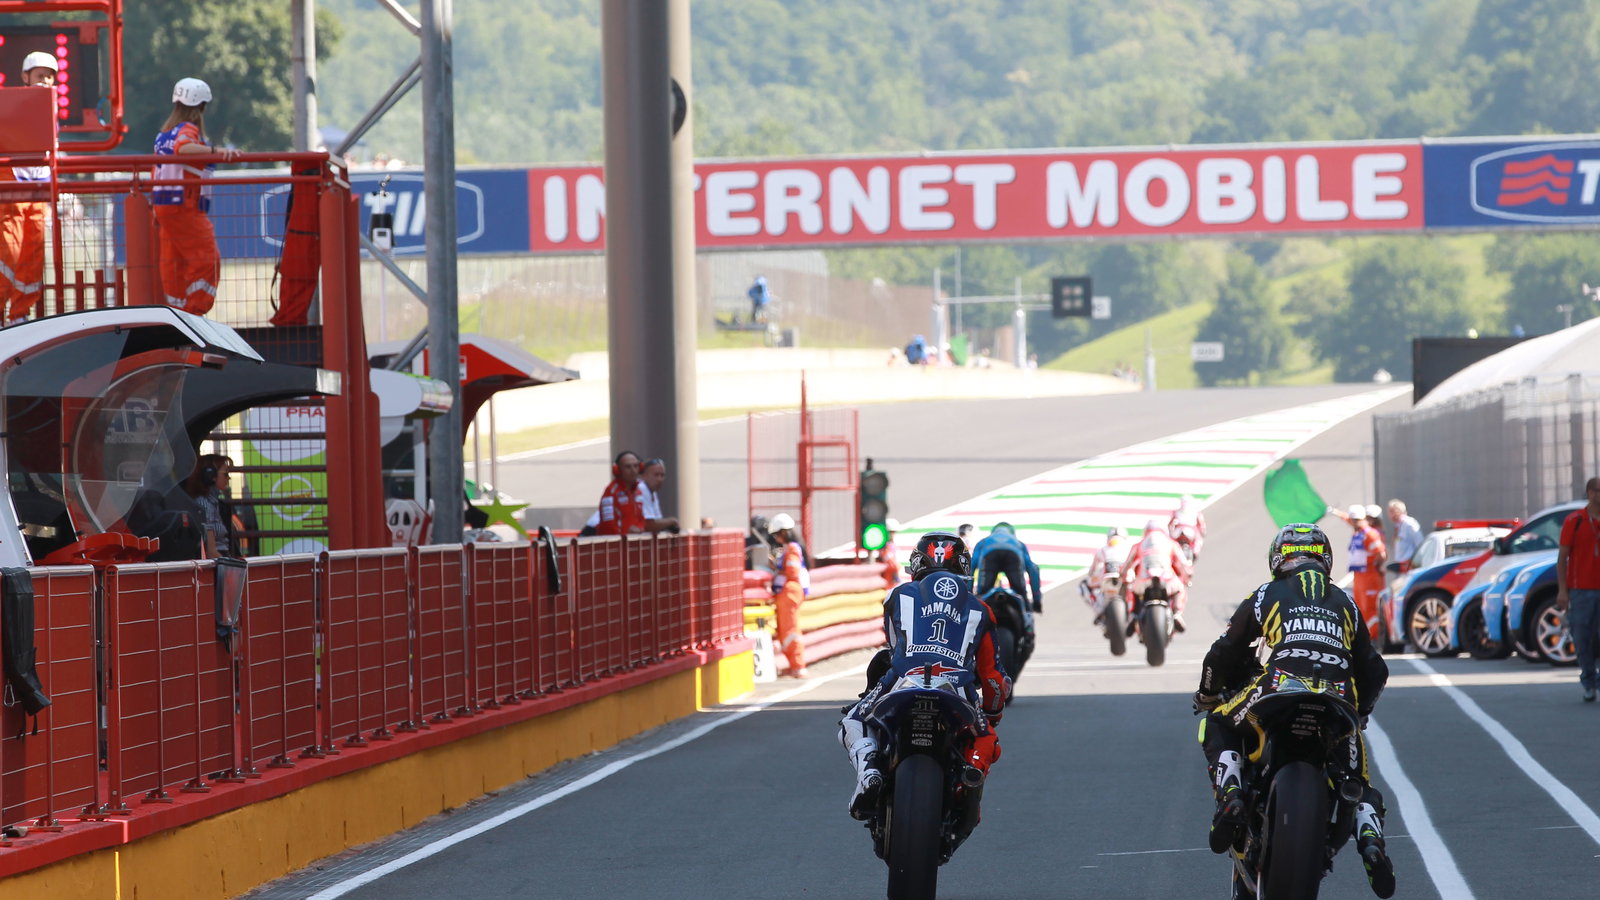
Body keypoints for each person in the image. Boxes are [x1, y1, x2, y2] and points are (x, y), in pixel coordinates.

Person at [1193, 523, 1394, 898]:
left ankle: (1232, 793)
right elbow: (1376, 670)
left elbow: (1225, 650)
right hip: (1337, 699)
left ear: (1277, 559)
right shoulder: (1346, 602)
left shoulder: (1267, 593)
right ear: (1326, 559)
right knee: (1357, 783)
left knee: (1217, 723)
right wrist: (1360, 712)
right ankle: (1372, 840)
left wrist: (1207, 693)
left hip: (1278, 687)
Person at [837, 531, 1011, 819]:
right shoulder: (982, 610)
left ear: (917, 564)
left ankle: (869, 769)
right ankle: (970, 776)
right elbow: (992, 675)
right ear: (964, 566)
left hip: (904, 679)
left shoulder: (896, 595)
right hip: (957, 689)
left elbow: (894, 648)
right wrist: (993, 712)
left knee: (854, 719)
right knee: (986, 737)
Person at [153, 77, 240, 314]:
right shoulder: (188, 130)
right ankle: (195, 315)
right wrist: (218, 152)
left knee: (175, 267)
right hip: (184, 207)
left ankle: (178, 317)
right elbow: (184, 148)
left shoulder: (164, 135)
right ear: (201, 107)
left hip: (166, 208)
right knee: (207, 259)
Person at [0, 51, 59, 325]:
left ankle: (20, 316)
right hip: (12, 189)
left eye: (49, 76)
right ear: (25, 77)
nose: (44, 81)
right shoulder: (10, 105)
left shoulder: (53, 110)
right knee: (7, 252)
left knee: (32, 257)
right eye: (39, 75)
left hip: (37, 192)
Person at [1556, 477, 1600, 703]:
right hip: (1581, 590)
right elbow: (1562, 558)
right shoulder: (1575, 521)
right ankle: (1589, 681)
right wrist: (1563, 591)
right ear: (1591, 493)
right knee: (1582, 637)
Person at [1119, 518, 1192, 632]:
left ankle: (1133, 615)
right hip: (1166, 579)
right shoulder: (1172, 543)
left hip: (1143, 579)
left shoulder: (1139, 544)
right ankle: (1177, 613)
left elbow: (1127, 565)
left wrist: (1123, 577)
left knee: (1131, 589)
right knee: (1180, 588)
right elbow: (1183, 565)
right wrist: (1187, 578)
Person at [1333, 503, 1387, 640]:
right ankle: (1365, 636)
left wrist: (1378, 566)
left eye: (1357, 520)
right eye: (1353, 520)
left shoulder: (1370, 534)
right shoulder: (1358, 533)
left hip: (1371, 577)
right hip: (1359, 577)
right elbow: (1348, 519)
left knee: (1371, 609)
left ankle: (1374, 638)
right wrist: (1337, 513)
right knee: (1361, 608)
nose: (1354, 522)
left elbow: (1381, 554)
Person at [767, 513, 808, 678]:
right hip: (789, 592)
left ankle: (798, 666)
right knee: (786, 630)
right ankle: (795, 665)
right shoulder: (792, 548)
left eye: (777, 535)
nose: (776, 538)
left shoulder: (791, 548)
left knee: (790, 630)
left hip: (789, 592)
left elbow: (792, 571)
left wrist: (777, 568)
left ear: (783, 532)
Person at [970, 522, 1043, 613]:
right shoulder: (1018, 543)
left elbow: (970, 567)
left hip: (989, 556)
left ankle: (978, 615)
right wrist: (1037, 601)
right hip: (1013, 555)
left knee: (983, 595)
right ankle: (1026, 619)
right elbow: (1033, 570)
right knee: (1020, 595)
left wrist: (968, 595)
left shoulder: (984, 542)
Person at [1081, 526, 1132, 614]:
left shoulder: (1102, 550)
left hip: (1106, 576)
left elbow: (1092, 571)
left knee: (1083, 585)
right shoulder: (1130, 548)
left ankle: (1098, 609)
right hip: (1126, 576)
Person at [595, 450, 646, 536]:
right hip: (616, 545)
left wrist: (639, 529)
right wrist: (625, 534)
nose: (633, 470)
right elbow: (608, 525)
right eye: (628, 467)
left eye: (636, 466)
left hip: (634, 543)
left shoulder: (638, 491)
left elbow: (641, 519)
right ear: (617, 470)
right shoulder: (611, 492)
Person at [637, 457, 681, 534]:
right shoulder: (641, 488)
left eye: (662, 475)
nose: (660, 479)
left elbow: (657, 522)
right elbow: (649, 525)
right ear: (644, 476)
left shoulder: (652, 492)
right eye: (656, 475)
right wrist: (672, 521)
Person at [1385, 499, 1422, 575]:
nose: (1391, 515)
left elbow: (1420, 543)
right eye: (1389, 512)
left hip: (1409, 567)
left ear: (1400, 511)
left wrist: (1415, 562)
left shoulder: (1409, 524)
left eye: (1393, 511)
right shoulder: (1398, 526)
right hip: (1401, 567)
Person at [1168, 495, 1207, 561]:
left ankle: (1170, 553)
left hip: (1177, 532)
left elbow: (1170, 524)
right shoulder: (1196, 512)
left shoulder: (1176, 512)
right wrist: (1203, 532)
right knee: (1199, 540)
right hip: (1190, 532)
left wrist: (1170, 532)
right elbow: (1201, 524)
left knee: (1171, 540)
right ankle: (1195, 553)